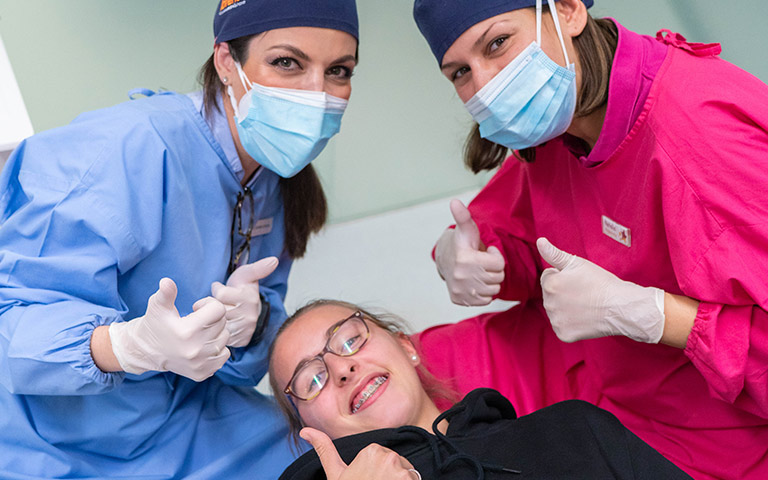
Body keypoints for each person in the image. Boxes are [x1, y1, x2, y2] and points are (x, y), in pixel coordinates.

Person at [410, 0, 768, 478]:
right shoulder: (567, 120)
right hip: (605, 388)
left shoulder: (697, 141)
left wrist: (658, 316)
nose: (485, 86)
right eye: (459, 73)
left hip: (714, 441)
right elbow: (529, 227)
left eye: (498, 44)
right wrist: (475, 254)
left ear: (569, 10)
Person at [0, 0, 358, 478]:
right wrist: (125, 347)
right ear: (227, 61)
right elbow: (13, 327)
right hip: (44, 440)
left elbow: (240, 364)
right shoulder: (123, 151)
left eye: (338, 70)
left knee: (333, 460)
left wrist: (252, 325)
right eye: (287, 62)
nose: (316, 93)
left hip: (185, 420)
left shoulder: (274, 177)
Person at [269, 300, 692, 479]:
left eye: (350, 339)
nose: (342, 367)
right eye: (313, 379)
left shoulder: (572, 430)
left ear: (405, 347)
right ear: (307, 426)